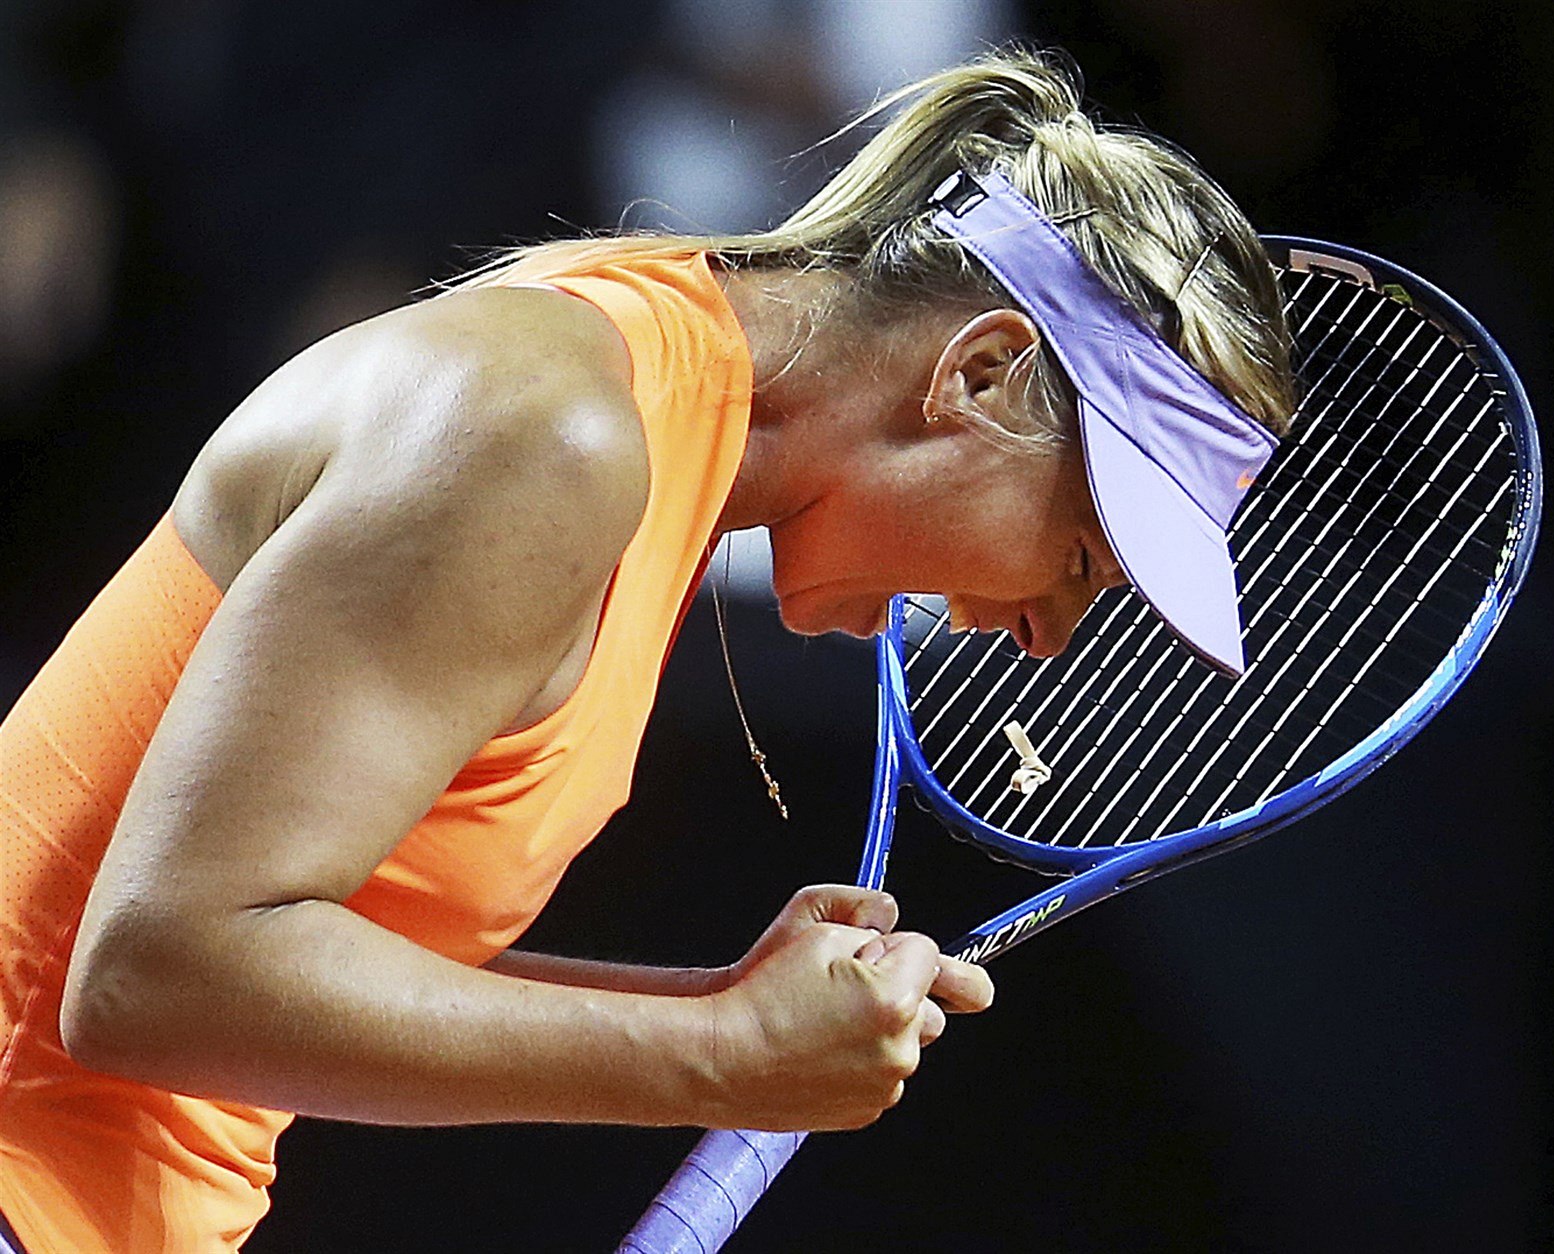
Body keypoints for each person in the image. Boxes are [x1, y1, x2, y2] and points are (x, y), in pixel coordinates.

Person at [0, 49, 1293, 1253]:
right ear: (981, 374)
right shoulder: (553, 436)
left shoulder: (643, 397)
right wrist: (718, 1058)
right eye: (1079, 558)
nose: (1047, 638)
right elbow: (152, 974)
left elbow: (303, 935)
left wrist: (713, 1007)